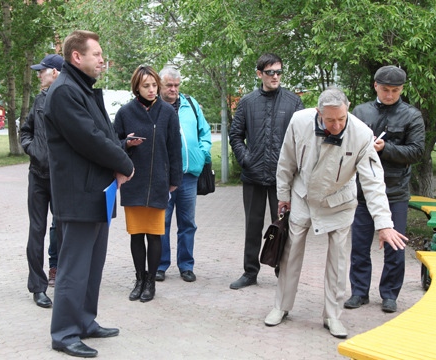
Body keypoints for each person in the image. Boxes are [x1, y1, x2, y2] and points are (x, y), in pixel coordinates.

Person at [263, 87, 407, 338]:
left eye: (341, 118)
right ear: (318, 112)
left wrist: (384, 224)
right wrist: (283, 195)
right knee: (290, 252)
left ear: (348, 107)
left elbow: (373, 182)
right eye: (330, 120)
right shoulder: (299, 121)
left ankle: (332, 315)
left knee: (339, 260)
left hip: (339, 201)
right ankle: (281, 306)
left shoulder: (362, 134)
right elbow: (286, 161)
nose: (337, 125)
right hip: (303, 196)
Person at [45, 30, 134, 358]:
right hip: (78, 192)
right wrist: (125, 163)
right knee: (74, 266)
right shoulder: (65, 91)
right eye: (96, 54)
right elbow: (90, 138)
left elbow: (106, 134)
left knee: (92, 264)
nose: (102, 60)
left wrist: (119, 158)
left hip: (96, 191)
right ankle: (65, 333)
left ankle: (84, 320)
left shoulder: (81, 89)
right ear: (76, 57)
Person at [345, 66, 425, 313]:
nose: (390, 95)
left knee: (395, 247)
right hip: (363, 192)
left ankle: (389, 294)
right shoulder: (359, 111)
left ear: (402, 89)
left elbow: (417, 152)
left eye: (396, 90)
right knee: (359, 246)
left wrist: (385, 148)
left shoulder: (412, 115)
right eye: (385, 89)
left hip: (396, 192)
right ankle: (359, 292)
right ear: (375, 85)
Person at [228, 53, 305, 290]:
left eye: (279, 72)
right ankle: (250, 272)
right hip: (253, 176)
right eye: (270, 72)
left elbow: (303, 139)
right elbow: (235, 135)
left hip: (282, 180)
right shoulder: (247, 102)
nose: (275, 76)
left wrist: (294, 171)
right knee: (252, 226)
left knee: (283, 227)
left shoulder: (293, 102)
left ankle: (283, 271)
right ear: (259, 73)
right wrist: (246, 158)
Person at [114, 66, 182, 302]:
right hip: (133, 182)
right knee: (135, 235)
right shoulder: (124, 113)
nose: (152, 90)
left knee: (154, 235)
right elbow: (113, 144)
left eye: (154, 85)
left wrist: (174, 180)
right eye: (146, 86)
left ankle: (151, 282)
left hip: (159, 183)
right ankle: (139, 279)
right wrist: (127, 144)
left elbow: (175, 149)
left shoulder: (167, 112)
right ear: (136, 87)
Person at [156, 67, 212, 283]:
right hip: (164, 177)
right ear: (160, 85)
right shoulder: (155, 106)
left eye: (177, 85)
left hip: (189, 176)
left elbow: (204, 132)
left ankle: (186, 266)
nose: (173, 89)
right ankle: (160, 265)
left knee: (188, 223)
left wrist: (203, 152)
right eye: (169, 85)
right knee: (162, 223)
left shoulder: (191, 103)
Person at [20, 54, 63, 308]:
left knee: (64, 229)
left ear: (55, 72)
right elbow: (26, 130)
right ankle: (38, 287)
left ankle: (65, 277)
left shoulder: (68, 98)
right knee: (36, 231)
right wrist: (31, 148)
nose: (39, 75)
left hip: (61, 178)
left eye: (42, 71)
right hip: (37, 175)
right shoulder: (39, 99)